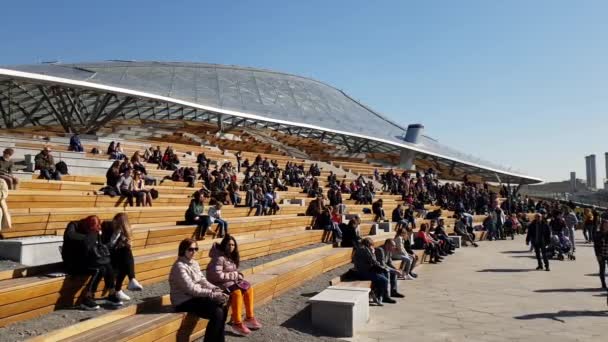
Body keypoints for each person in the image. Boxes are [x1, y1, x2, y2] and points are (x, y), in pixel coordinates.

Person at [169, 238, 229, 342]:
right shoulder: (179, 266)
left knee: (223, 308)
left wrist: (215, 289)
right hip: (183, 301)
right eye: (190, 249)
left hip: (195, 298)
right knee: (217, 312)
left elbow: (202, 280)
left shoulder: (194, 263)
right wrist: (212, 294)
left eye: (196, 249)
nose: (194, 252)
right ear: (183, 250)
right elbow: (191, 289)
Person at [61, 216, 122, 310]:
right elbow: (70, 235)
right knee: (99, 269)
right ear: (87, 225)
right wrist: (89, 236)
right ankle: (87, 298)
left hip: (86, 259)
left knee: (106, 265)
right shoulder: (74, 225)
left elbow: (97, 245)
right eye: (92, 228)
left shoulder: (94, 231)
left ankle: (111, 293)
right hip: (73, 262)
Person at [206, 235, 262, 335]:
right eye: (229, 244)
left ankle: (249, 317)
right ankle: (237, 323)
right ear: (224, 245)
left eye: (233, 245)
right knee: (236, 293)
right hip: (217, 284)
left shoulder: (230, 257)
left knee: (248, 288)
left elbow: (232, 271)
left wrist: (238, 275)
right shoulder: (219, 258)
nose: (231, 247)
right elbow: (215, 276)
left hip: (228, 282)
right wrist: (235, 275)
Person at [101, 213, 143, 301]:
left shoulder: (123, 232)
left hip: (115, 256)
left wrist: (125, 244)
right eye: (116, 222)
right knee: (126, 258)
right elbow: (105, 244)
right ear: (114, 220)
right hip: (105, 255)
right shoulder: (107, 226)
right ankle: (128, 282)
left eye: (120, 224)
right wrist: (114, 241)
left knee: (127, 253)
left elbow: (124, 246)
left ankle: (126, 285)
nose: (116, 224)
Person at [352, 237, 395, 305]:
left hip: (362, 271)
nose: (373, 247)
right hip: (363, 273)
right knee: (384, 280)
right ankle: (380, 297)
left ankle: (380, 296)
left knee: (383, 273)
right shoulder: (365, 250)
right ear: (369, 244)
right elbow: (374, 262)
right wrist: (373, 253)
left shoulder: (360, 249)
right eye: (372, 245)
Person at [593, 220, 608, 289]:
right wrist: (597, 255)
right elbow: (596, 246)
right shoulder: (598, 234)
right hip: (601, 254)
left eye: (607, 225)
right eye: (605, 224)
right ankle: (603, 284)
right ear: (602, 225)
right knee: (602, 269)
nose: (606, 226)